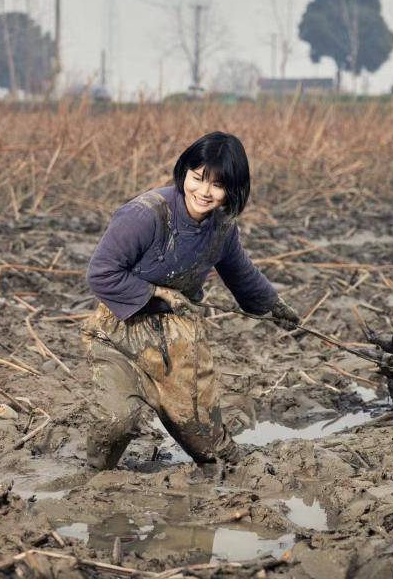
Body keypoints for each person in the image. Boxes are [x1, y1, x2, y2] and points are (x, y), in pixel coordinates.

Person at [84, 131, 300, 470]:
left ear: (232, 189)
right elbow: (101, 273)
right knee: (116, 421)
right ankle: (95, 476)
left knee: (210, 448)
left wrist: (272, 306)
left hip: (178, 339)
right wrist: (156, 295)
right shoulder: (145, 216)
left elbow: (241, 275)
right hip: (120, 332)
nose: (204, 192)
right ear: (184, 172)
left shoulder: (223, 228)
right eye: (198, 178)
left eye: (217, 185)